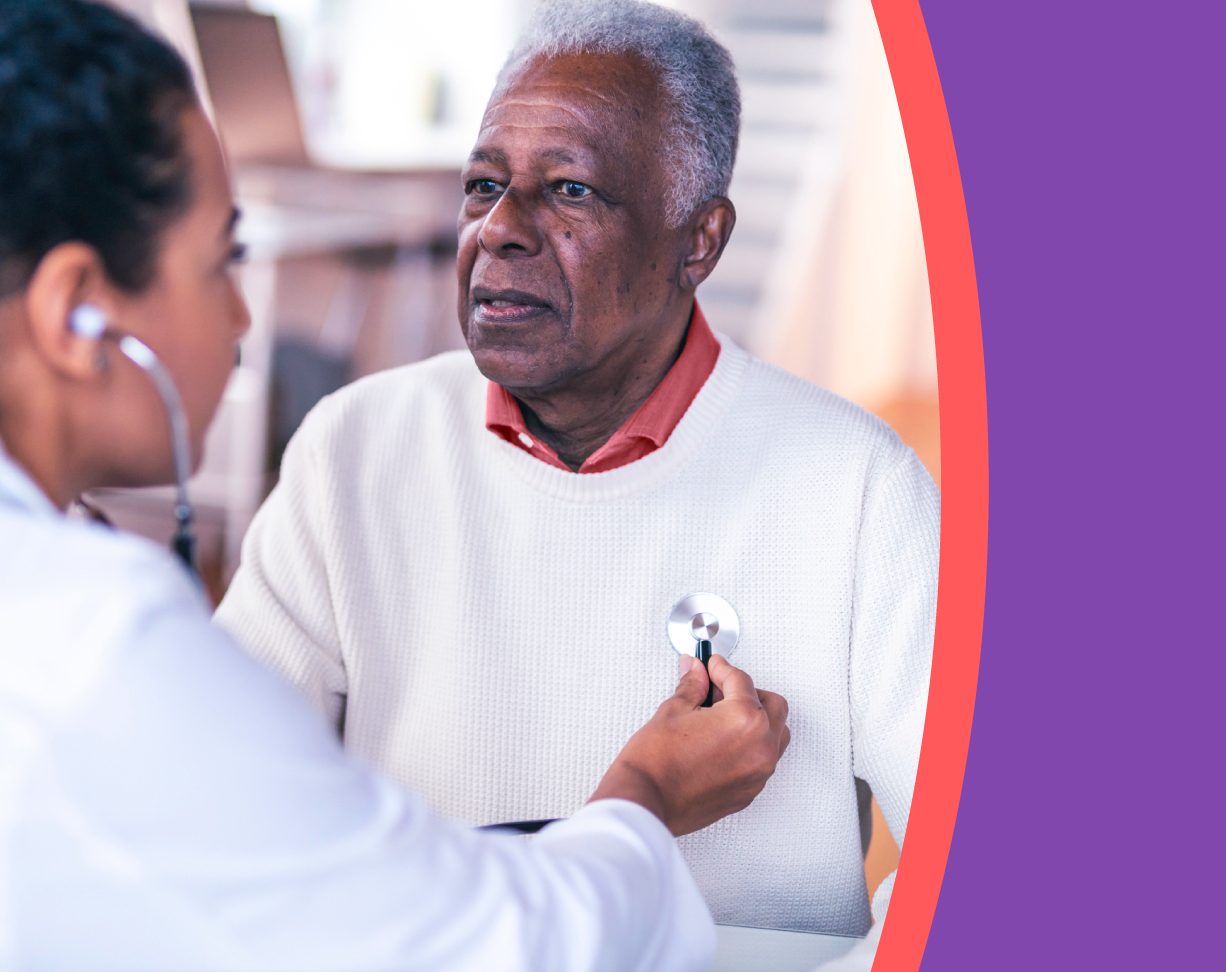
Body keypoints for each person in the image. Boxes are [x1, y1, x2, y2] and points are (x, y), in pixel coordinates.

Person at [0, 2, 793, 969]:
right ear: (79, 315)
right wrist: (646, 792)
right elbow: (488, 950)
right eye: (222, 260)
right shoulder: (88, 647)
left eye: (568, 189)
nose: (241, 318)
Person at [215, 0, 939, 965]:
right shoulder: (353, 450)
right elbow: (220, 807)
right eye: (484, 185)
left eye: (570, 191)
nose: (500, 230)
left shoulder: (859, 489)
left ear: (699, 241)